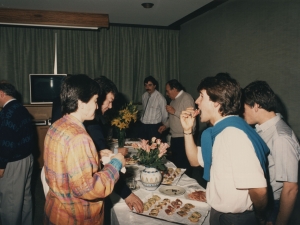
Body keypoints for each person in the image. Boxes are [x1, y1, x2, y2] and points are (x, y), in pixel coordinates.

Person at [180, 73, 270, 225]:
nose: (197, 101)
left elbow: (259, 190)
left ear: (217, 102)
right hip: (221, 213)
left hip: (235, 219)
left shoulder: (233, 135)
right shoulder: (220, 132)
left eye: (201, 96)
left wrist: (260, 217)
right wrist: (187, 130)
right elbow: (195, 160)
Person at [50, 76, 143, 213]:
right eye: (96, 100)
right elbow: (89, 189)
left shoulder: (59, 124)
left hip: (57, 202)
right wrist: (117, 164)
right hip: (76, 213)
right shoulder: (81, 135)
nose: (107, 106)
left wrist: (96, 155)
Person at [243, 80, 300, 225]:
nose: (243, 113)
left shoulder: (281, 138)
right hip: (264, 202)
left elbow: (290, 189)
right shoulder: (263, 129)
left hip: (274, 206)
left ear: (255, 106)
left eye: (244, 108)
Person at [0, 81, 34, 225]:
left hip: (13, 163)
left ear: (1, 93)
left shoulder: (8, 112)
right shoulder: (21, 108)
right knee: (25, 199)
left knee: (11, 204)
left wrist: (1, 166)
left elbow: (6, 143)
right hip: (27, 159)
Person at [158, 79, 195, 177]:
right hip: (175, 138)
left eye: (167, 91)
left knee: (184, 168)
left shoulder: (186, 98)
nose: (166, 93)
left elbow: (190, 118)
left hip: (184, 138)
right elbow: (172, 118)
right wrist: (165, 125)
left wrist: (175, 112)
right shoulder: (173, 101)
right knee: (176, 167)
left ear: (174, 89)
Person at [139, 76, 168, 141]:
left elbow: (165, 115)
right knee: (143, 147)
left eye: (150, 85)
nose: (147, 87)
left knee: (154, 148)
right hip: (144, 125)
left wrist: (163, 126)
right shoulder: (144, 96)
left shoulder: (160, 98)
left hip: (154, 127)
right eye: (146, 85)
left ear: (154, 86)